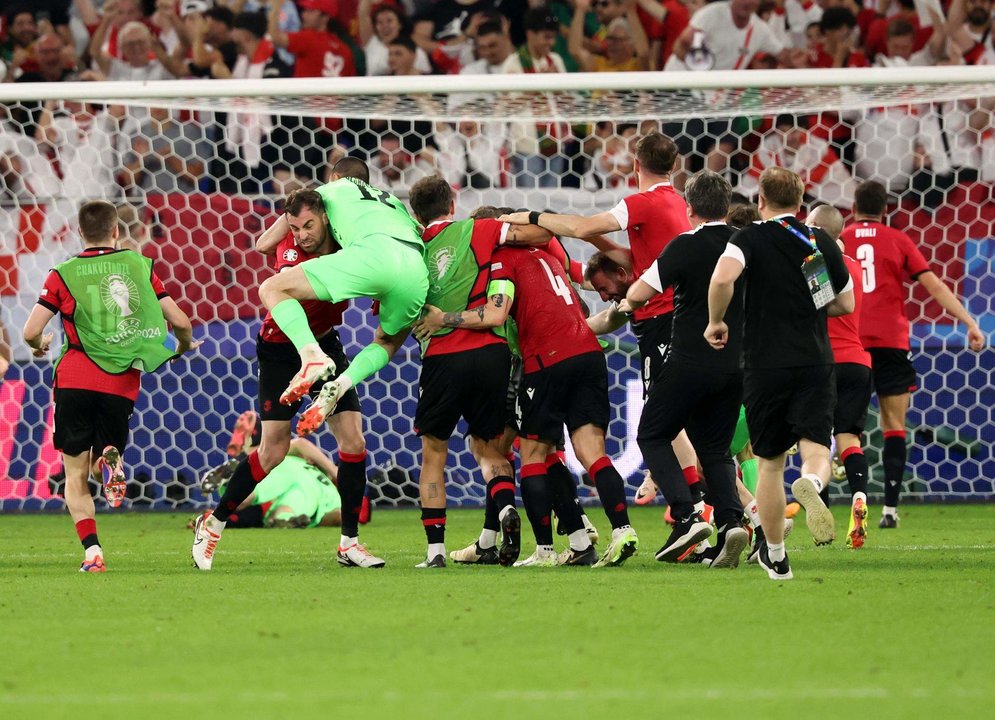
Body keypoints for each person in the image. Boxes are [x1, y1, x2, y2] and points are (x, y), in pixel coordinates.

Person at [192, 158, 382, 571]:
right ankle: (213, 524)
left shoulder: (351, 238)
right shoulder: (292, 250)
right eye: (294, 227)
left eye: (308, 226)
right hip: (282, 350)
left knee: (354, 443)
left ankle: (349, 543)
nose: (301, 235)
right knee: (273, 451)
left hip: (327, 346)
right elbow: (270, 252)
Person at [505, 132, 703, 521]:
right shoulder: (678, 204)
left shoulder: (642, 202)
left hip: (660, 319)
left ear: (635, 165)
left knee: (661, 427)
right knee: (689, 424)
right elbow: (628, 257)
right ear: (675, 165)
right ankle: (730, 508)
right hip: (683, 316)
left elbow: (580, 229)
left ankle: (692, 509)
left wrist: (532, 217)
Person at [416, 242, 639, 568]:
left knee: (523, 453)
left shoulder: (501, 264)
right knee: (590, 453)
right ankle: (617, 530)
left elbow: (494, 313)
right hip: (588, 354)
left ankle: (543, 549)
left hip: (533, 362)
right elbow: (583, 301)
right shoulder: (551, 258)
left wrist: (444, 318)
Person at [22, 200, 197, 572]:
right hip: (121, 384)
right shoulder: (140, 266)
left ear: (80, 233)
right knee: (104, 463)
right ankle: (107, 462)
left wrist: (40, 348)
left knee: (75, 473)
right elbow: (180, 321)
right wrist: (181, 347)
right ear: (116, 231)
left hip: (74, 379)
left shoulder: (62, 273)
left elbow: (31, 332)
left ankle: (93, 552)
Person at [706, 167, 854, 580]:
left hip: (764, 364)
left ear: (760, 201)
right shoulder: (815, 240)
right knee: (816, 448)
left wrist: (716, 320)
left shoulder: (748, 238)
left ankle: (776, 556)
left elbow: (722, 277)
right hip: (814, 359)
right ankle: (812, 484)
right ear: (802, 200)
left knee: (769, 464)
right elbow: (844, 304)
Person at [406, 176, 552, 568]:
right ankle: (505, 507)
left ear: (415, 214)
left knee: (434, 452)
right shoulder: (480, 229)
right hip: (492, 353)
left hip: (442, 357)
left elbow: (394, 310)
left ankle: (436, 552)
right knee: (490, 447)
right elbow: (541, 231)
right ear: (452, 205)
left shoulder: (412, 249)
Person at [620, 171, 748, 568]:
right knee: (715, 449)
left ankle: (687, 513)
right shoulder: (745, 243)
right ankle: (731, 522)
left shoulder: (684, 245)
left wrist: (623, 304)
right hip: (736, 366)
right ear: (726, 207)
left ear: (688, 207)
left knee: (652, 432)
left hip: (691, 360)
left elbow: (639, 294)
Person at [840, 180, 985, 529]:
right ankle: (890, 510)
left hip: (850, 340)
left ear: (854, 208)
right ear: (885, 209)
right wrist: (969, 322)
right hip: (891, 341)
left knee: (844, 427)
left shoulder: (840, 238)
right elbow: (933, 285)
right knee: (895, 426)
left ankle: (839, 499)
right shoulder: (898, 239)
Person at [807, 203, 870, 549]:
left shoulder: (815, 265)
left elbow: (818, 303)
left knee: (817, 442)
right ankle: (859, 496)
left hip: (824, 362)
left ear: (816, 227)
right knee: (849, 441)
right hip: (858, 362)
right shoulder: (856, 268)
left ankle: (825, 522)